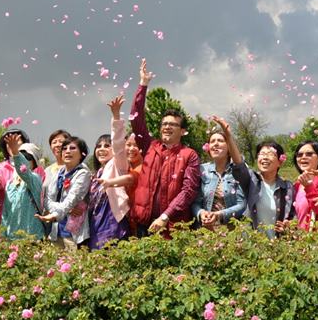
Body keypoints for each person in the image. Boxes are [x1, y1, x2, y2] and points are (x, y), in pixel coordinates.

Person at [128, 59, 201, 237]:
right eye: (164, 124)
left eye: (173, 125)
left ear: (183, 131)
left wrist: (165, 216)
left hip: (172, 227)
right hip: (143, 226)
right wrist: (143, 85)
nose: (167, 127)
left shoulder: (189, 155)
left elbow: (188, 191)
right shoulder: (150, 146)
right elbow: (135, 119)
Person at [86, 95, 132, 249]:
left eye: (107, 146)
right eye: (99, 146)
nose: (102, 149)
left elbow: (119, 144)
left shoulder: (117, 164)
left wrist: (116, 116)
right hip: (96, 225)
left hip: (113, 223)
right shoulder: (96, 173)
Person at [0, 129, 47, 234]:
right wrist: (5, 233)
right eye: (20, 154)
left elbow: (25, 173)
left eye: (27, 156)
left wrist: (16, 153)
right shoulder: (10, 183)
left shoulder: (35, 178)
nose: (23, 158)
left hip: (31, 234)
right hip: (12, 234)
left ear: (35, 162)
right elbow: (6, 211)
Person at [192, 117, 246, 230]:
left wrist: (219, 215)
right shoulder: (202, 170)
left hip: (231, 233)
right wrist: (201, 213)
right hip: (205, 232)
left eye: (220, 141)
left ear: (229, 147)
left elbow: (242, 205)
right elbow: (195, 202)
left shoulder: (237, 172)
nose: (215, 144)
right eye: (212, 142)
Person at [233, 138, 294, 239]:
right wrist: (228, 136)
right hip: (252, 245)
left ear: (280, 162)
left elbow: (293, 216)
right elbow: (239, 165)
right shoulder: (250, 180)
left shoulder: (287, 187)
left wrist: (288, 227)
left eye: (270, 154)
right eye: (262, 154)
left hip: (278, 246)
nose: (265, 157)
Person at [39, 136, 92, 250]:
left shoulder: (83, 174)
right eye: (64, 148)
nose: (67, 151)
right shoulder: (59, 172)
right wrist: (65, 209)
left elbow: (71, 200)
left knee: (72, 265)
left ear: (82, 154)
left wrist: (54, 214)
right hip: (56, 231)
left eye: (72, 148)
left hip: (73, 234)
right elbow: (47, 200)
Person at [290, 141, 318, 239]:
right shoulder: (296, 186)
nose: (303, 157)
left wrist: (309, 188)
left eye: (309, 154)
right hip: (302, 244)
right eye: (299, 155)